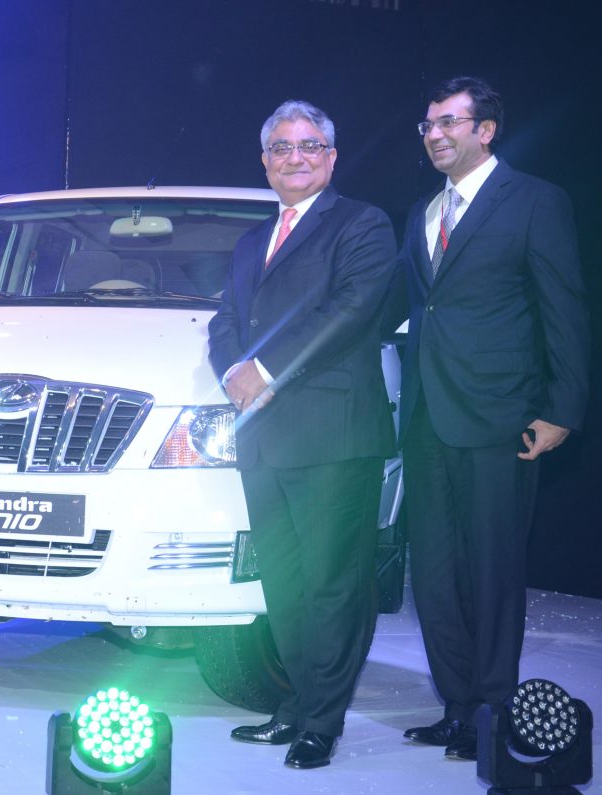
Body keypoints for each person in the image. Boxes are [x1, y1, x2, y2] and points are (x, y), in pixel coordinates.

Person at [397, 77, 589, 761]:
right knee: (434, 575)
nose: (435, 134)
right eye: (428, 124)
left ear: (486, 129)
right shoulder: (423, 211)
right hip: (426, 418)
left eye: (450, 121)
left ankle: (493, 712)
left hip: (499, 415)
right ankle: (456, 707)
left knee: (492, 573)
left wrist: (562, 408)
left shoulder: (535, 200)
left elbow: (563, 308)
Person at [208, 100, 396, 769]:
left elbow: (349, 311)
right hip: (263, 436)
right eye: (282, 147)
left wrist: (263, 369)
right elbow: (224, 320)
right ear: (265, 162)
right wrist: (231, 370)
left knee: (332, 585)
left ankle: (323, 720)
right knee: (284, 584)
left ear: (331, 157)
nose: (295, 157)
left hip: (333, 435)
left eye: (309, 145)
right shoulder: (251, 241)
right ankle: (294, 706)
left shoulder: (362, 224)